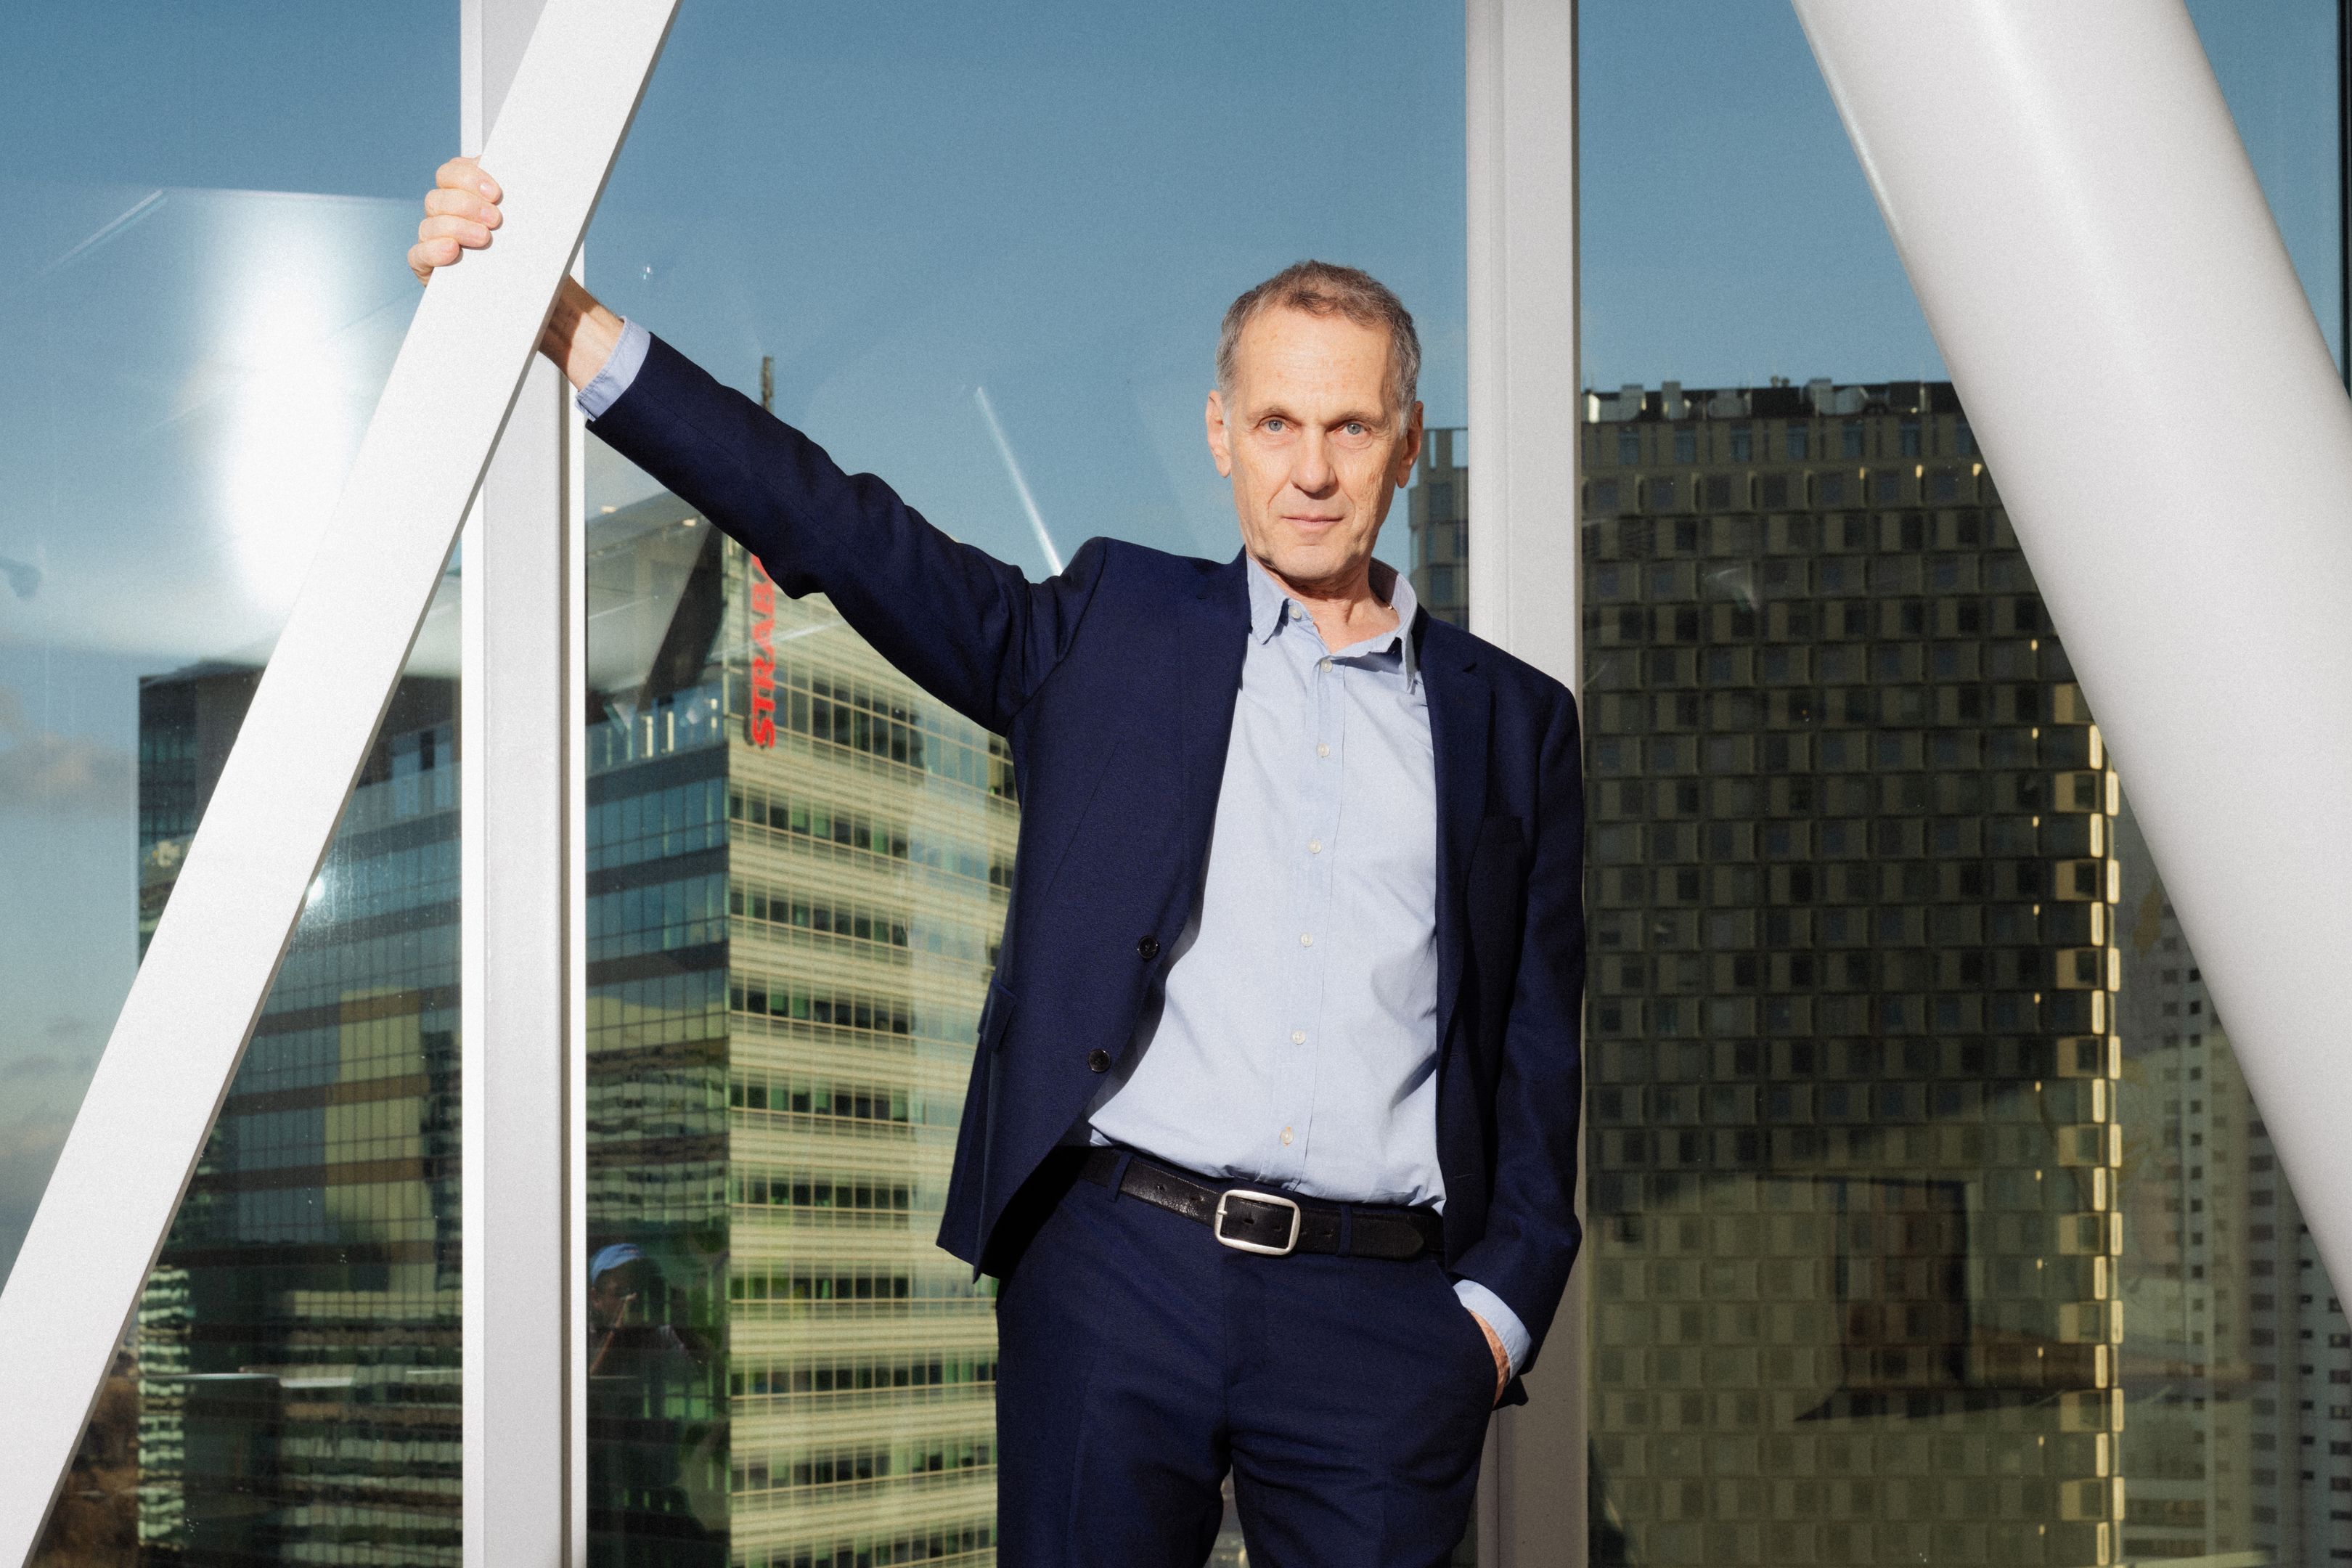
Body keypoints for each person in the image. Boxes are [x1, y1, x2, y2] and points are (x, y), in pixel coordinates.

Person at [412, 153, 1585, 1568]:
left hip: (1381, 1324)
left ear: (1406, 442)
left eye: (1351, 426)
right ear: (1220, 432)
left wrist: (1493, 1318)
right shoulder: (1112, 628)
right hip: (1120, 1278)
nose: (1314, 470)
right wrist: (568, 325)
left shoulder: (1513, 723)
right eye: (1278, 422)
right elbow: (842, 530)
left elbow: (1535, 1048)